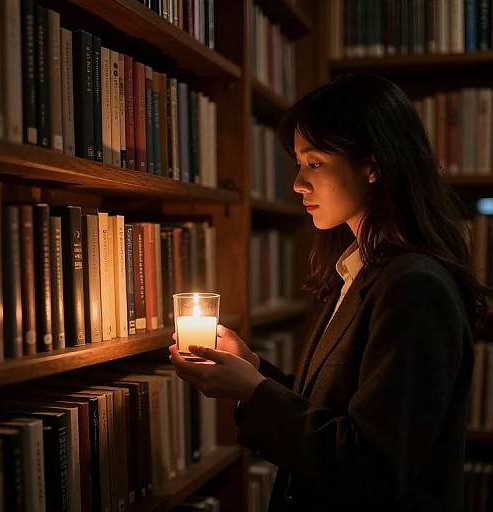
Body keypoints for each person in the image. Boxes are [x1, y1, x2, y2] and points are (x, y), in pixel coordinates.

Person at [169, 72, 490, 511]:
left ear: (373, 164)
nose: (298, 183)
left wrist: (255, 391)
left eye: (314, 163)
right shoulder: (361, 270)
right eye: (298, 163)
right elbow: (338, 414)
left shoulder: (414, 286)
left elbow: (372, 467)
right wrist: (254, 371)